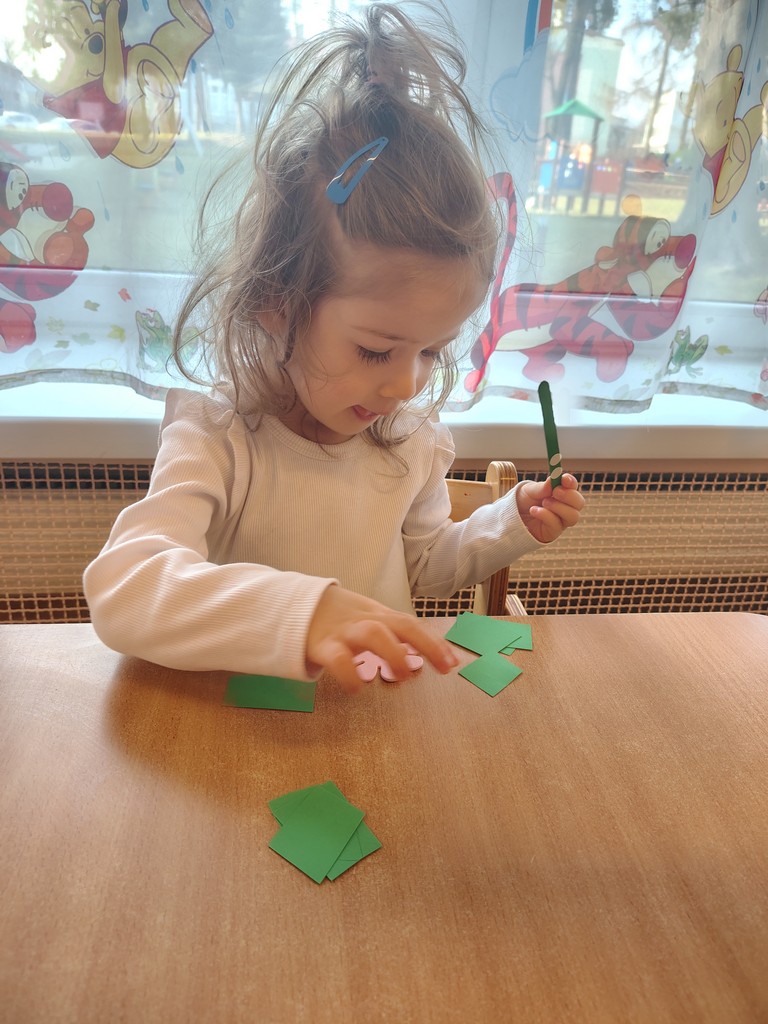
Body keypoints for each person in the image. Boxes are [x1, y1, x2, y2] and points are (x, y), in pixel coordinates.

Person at [83, 3, 585, 692]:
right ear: (277, 304)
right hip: (242, 732)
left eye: (432, 352)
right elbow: (125, 591)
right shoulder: (217, 438)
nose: (406, 386)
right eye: (377, 351)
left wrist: (510, 522)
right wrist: (304, 613)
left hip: (378, 719)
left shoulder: (409, 442)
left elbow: (424, 567)